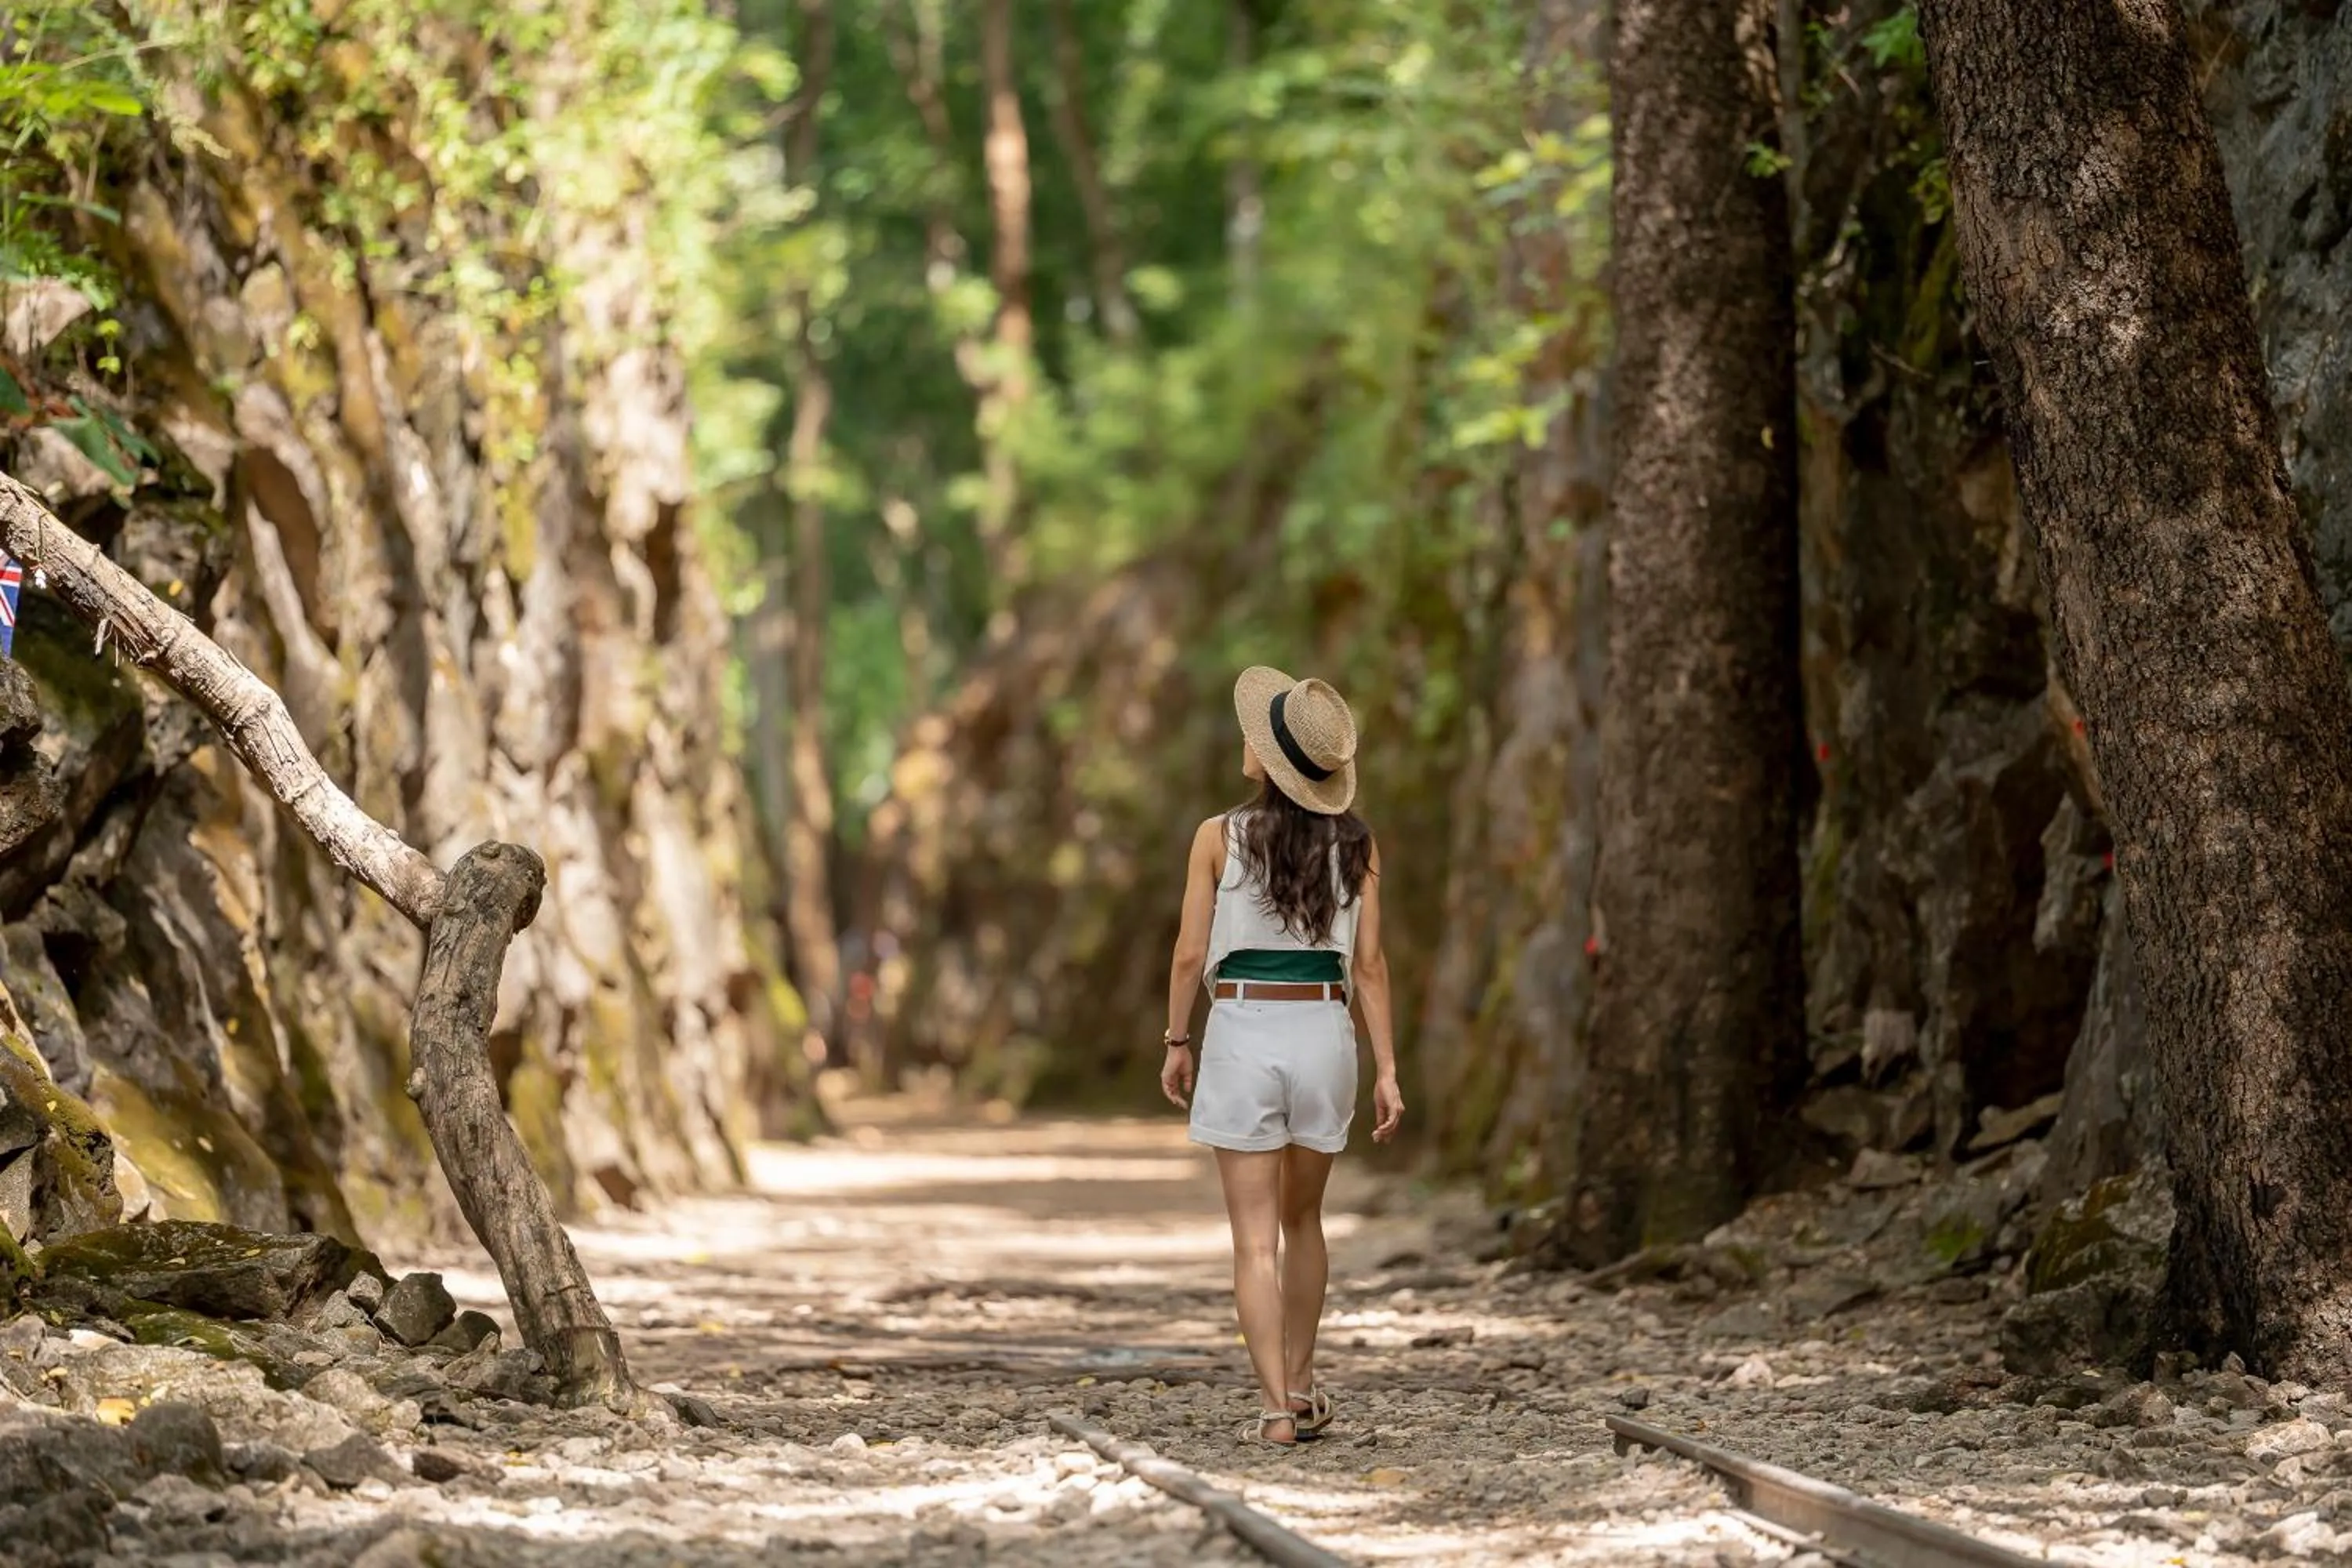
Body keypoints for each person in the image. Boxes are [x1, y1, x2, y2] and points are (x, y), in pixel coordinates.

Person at [1161, 666, 1404, 1447]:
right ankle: (1300, 1385)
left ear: (1269, 760)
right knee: (1305, 1219)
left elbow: (1189, 953)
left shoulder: (1217, 836)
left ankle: (1273, 1411)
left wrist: (1176, 1039)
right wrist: (1388, 1068)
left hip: (1243, 1030)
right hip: (1325, 1032)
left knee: (1254, 1239)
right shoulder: (1358, 843)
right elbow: (1370, 966)